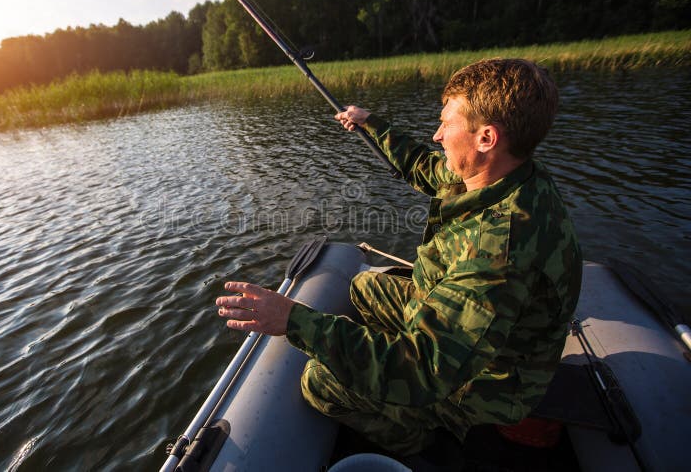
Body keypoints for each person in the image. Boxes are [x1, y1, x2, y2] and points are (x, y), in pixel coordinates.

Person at [215, 58, 582, 456]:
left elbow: (424, 370)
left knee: (319, 382)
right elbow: (425, 168)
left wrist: (294, 320)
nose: (438, 135)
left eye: (447, 124)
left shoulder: (498, 250)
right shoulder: (501, 173)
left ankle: (425, 445)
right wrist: (370, 123)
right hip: (465, 329)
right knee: (362, 286)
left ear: (486, 138)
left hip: (491, 381)